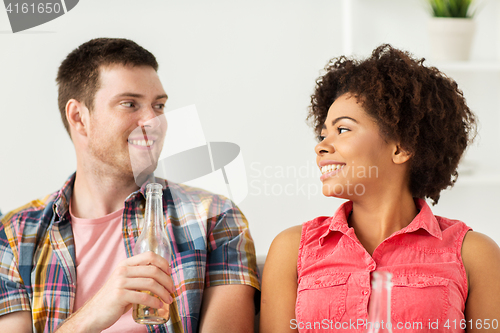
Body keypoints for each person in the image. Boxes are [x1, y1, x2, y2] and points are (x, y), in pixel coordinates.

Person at [0, 38, 260, 333]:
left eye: (159, 105)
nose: (153, 121)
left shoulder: (215, 218)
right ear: (79, 117)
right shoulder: (14, 234)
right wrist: (96, 312)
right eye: (130, 104)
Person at [260, 44, 500, 332]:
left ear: (402, 147)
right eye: (323, 133)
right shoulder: (291, 250)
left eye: (343, 129)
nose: (321, 146)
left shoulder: (474, 255)